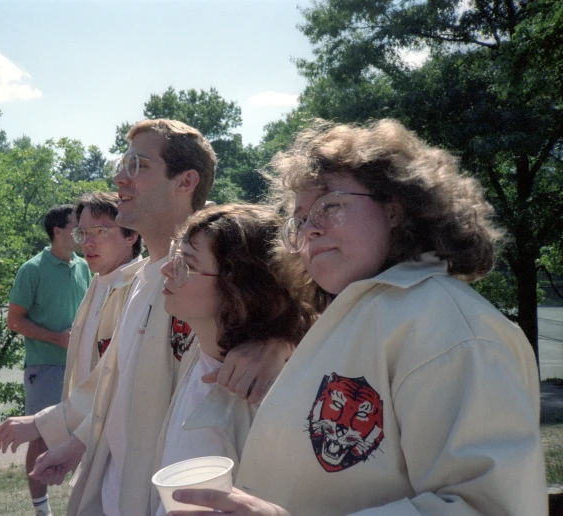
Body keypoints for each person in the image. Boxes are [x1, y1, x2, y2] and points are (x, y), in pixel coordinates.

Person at [171, 119, 547, 515]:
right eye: (299, 220)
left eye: (329, 206)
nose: (310, 230)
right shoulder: (347, 319)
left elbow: (489, 507)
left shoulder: (453, 331)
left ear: (394, 208)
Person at [0, 119, 296, 516]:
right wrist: (74, 442)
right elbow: (114, 386)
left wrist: (283, 342)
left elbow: (304, 289)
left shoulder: (209, 281)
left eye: (138, 165)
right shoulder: (137, 281)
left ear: (186, 181)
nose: (120, 177)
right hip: (117, 493)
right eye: (123, 163)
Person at [152, 204, 316, 516]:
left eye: (186, 264)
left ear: (238, 289)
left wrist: (285, 344)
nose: (165, 269)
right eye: (175, 254)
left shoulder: (265, 393)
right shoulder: (194, 348)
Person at [7, 204, 92, 515]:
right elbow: (14, 321)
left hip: (81, 368)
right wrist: (57, 338)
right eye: (77, 227)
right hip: (45, 367)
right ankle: (41, 508)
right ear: (58, 231)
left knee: (83, 432)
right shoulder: (32, 269)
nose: (83, 234)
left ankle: (82, 501)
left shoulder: (84, 266)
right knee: (42, 435)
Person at [63, 191, 142, 398]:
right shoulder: (98, 282)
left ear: (131, 235)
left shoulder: (142, 289)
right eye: (82, 232)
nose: (87, 243)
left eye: (99, 231)